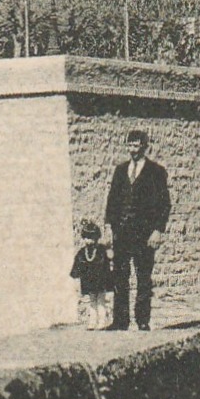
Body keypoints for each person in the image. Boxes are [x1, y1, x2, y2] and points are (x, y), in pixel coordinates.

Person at [103, 128, 171, 330]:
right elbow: (112, 201)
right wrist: (108, 226)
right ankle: (120, 320)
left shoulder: (156, 171)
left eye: (136, 145)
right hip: (122, 232)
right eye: (130, 145)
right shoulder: (120, 170)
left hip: (144, 234)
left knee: (143, 277)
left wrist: (158, 230)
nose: (133, 150)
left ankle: (142, 320)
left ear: (144, 146)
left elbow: (164, 204)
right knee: (120, 276)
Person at [69, 220, 112, 330]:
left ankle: (102, 322)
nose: (89, 241)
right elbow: (77, 265)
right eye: (87, 238)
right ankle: (92, 322)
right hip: (89, 281)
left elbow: (108, 263)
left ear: (97, 238)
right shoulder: (82, 252)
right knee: (92, 302)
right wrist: (76, 278)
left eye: (92, 238)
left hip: (100, 280)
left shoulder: (101, 250)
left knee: (101, 302)